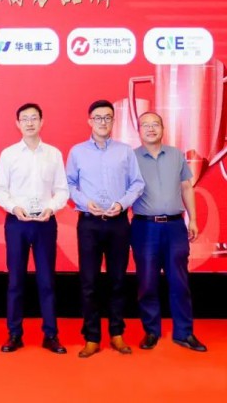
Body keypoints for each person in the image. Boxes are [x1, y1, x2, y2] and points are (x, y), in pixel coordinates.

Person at [66, 99, 145, 358]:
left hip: (118, 223)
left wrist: (122, 204)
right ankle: (91, 337)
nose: (103, 122)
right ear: (89, 121)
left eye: (108, 117)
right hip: (89, 222)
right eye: (98, 117)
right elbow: (69, 184)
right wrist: (83, 201)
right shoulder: (77, 152)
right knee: (89, 282)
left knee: (117, 280)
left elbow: (137, 183)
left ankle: (117, 333)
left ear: (113, 120)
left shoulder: (125, 151)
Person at [0, 103, 69, 354]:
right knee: (16, 280)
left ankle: (51, 334)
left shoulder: (53, 154)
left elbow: (62, 190)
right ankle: (14, 334)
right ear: (17, 123)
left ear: (41, 121)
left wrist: (51, 207)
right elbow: (0, 189)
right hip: (17, 223)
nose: (29, 123)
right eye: (24, 119)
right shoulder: (9, 154)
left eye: (34, 118)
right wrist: (14, 207)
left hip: (45, 223)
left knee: (47, 281)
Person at [131, 112, 206, 352]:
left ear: (163, 129)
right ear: (139, 130)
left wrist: (193, 219)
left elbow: (186, 187)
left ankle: (184, 333)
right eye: (145, 125)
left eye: (155, 124)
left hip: (175, 227)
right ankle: (151, 331)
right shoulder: (131, 158)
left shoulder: (176, 155)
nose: (151, 129)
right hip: (144, 227)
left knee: (179, 281)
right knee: (147, 282)